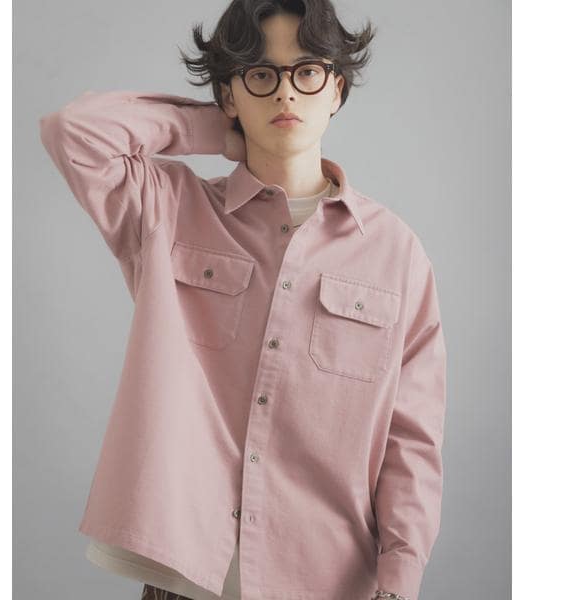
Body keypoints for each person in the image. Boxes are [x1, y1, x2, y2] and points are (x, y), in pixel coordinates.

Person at [39, 1, 446, 600]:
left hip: (328, 579)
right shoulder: (167, 209)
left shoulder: (395, 253)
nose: (285, 92)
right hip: (186, 574)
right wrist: (217, 132)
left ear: (337, 88)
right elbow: (72, 130)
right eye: (260, 74)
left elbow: (412, 441)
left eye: (307, 70)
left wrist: (400, 580)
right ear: (228, 93)